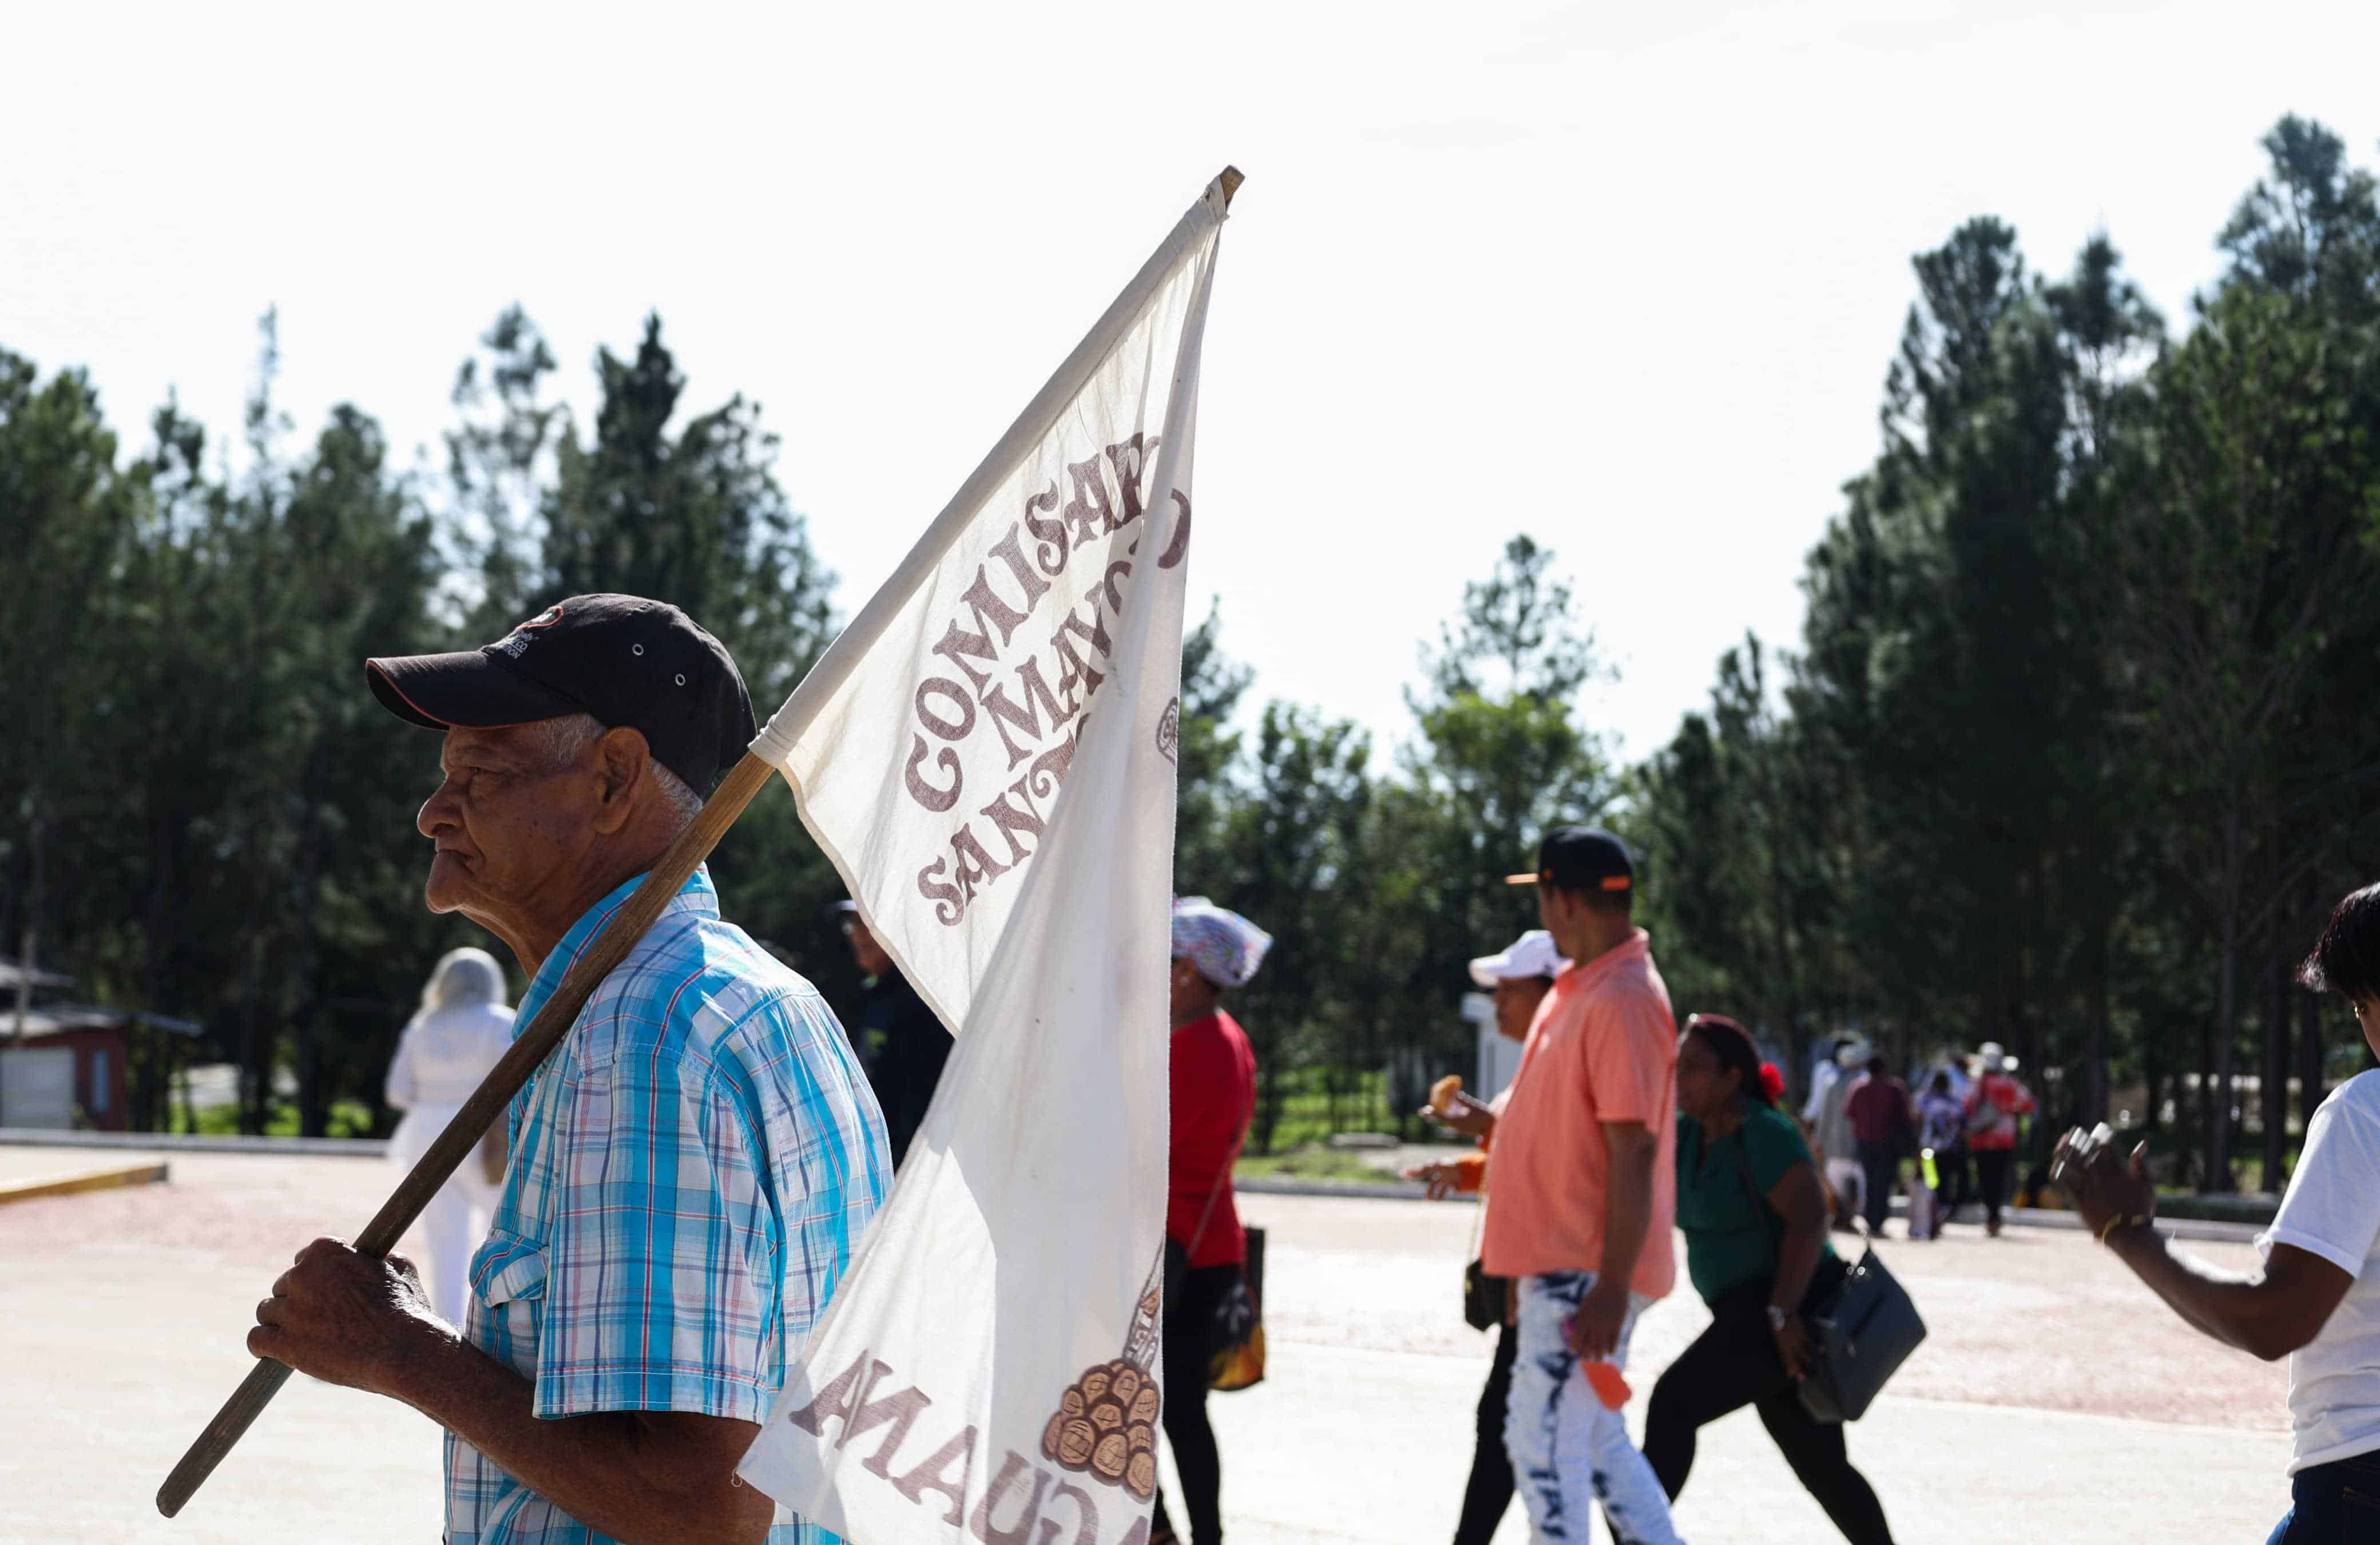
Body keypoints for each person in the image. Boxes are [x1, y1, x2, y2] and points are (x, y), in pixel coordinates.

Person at [247, 594, 892, 1543]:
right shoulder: (742, 998)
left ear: (613, 780)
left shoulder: (641, 1035)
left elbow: (702, 1511)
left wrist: (394, 1347)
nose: (433, 812)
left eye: (481, 773)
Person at [2054, 882, 2380, 1543]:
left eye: (2358, 1001)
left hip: (2358, 1480)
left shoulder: (2363, 1114)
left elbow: (2276, 1319)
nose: (2360, 1023)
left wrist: (2131, 1236)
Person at [1482, 826, 1684, 1545]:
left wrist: (1606, 1284)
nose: (1541, 913)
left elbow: (1631, 1153)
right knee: (1594, 1446)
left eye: (1541, 897)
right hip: (1567, 1266)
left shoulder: (1620, 997)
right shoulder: (1588, 988)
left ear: (1562, 900)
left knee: (1542, 1449)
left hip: (1583, 1269)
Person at [1646, 1014, 1895, 1545]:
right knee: (1824, 1471)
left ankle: (1638, 1536)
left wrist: (1783, 1315)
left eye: (1695, 1069)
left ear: (1733, 1077)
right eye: (1677, 1067)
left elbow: (1811, 1219)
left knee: (1672, 1405)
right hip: (1749, 1316)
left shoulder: (1764, 1132)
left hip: (1782, 1310)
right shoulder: (1686, 1135)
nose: (1680, 1079)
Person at [1407, 928, 1568, 1545]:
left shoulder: (1558, 1060)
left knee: (1530, 1432)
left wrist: (1484, 1125)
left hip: (1549, 1278)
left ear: (1547, 991)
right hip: (1525, 1280)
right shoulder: (1534, 1062)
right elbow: (1514, 1157)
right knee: (1526, 1431)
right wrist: (1466, 1165)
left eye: (1508, 989)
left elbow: (1552, 1158)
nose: (1498, 1002)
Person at [1155, 896, 1268, 1545]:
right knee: (1175, 1409)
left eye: (1165, 959)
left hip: (1183, 1256)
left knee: (1172, 1409)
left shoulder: (1200, 1045)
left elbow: (1147, 1144)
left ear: (1190, 972)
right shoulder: (1223, 1037)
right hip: (1203, 1245)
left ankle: (1181, 1533)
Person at [383, 946, 517, 1325]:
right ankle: (501, 1327)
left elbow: (398, 1092)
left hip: (426, 1136)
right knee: (502, 1231)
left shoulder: (423, 1026)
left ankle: (448, 1327)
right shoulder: (499, 1022)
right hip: (484, 1132)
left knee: (446, 1243)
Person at [834, 899, 950, 1169]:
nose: (859, 933)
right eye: (853, 924)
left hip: (914, 1160)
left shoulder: (918, 998)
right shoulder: (872, 995)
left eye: (868, 924)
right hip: (882, 1153)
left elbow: (921, 1090)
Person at [1963, 1041, 2035, 1237]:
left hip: (1981, 1139)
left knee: (1985, 1179)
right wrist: (2008, 1109)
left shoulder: (1977, 1083)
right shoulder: (2011, 1084)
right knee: (1999, 1178)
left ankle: (1991, 1216)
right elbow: (2028, 1105)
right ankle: (1995, 1216)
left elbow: (1967, 1106)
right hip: (2005, 1140)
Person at [1843, 1053, 1911, 1237]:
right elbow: (1905, 1116)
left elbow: (1849, 1112)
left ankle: (1871, 1219)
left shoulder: (1858, 1088)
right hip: (1888, 1143)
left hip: (1865, 1141)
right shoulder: (1895, 1088)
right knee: (1883, 1182)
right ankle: (1878, 1219)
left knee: (1870, 1181)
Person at [1811, 1040, 1870, 1231]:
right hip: (1856, 1145)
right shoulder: (1863, 1083)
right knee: (1856, 1186)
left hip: (1835, 1145)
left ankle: (1842, 1217)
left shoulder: (1832, 1083)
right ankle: (1847, 1217)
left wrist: (1819, 1141)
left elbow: (1824, 1117)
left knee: (1836, 1185)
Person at [1910, 1072, 1965, 1241]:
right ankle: (1937, 1221)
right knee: (1943, 1188)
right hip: (1949, 1152)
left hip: (1928, 1152)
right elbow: (1963, 1129)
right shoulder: (1955, 1104)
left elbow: (1916, 1123)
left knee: (1928, 1186)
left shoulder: (1924, 1101)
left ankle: (1928, 1223)